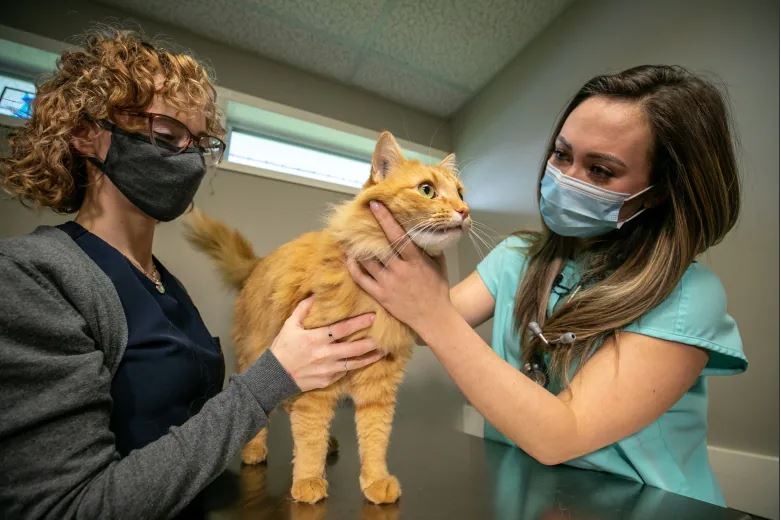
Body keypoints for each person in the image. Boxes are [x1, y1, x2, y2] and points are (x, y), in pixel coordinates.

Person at [0, 29, 384, 519]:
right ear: (84, 132)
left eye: (200, 143)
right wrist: (274, 377)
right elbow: (73, 507)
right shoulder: (31, 278)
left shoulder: (166, 285)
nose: (188, 160)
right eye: (165, 135)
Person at [347, 65, 747, 506]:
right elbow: (419, 323)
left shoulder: (688, 297)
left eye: (599, 171)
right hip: (528, 497)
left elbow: (560, 435)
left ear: (657, 193)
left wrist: (432, 311)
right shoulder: (517, 257)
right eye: (561, 155)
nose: (565, 178)